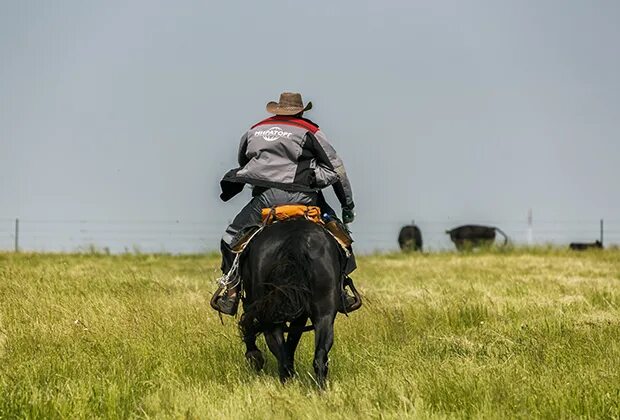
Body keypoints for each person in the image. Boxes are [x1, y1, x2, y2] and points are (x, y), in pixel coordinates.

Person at [213, 91, 359, 315]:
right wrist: (345, 204)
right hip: (305, 197)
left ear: (277, 110)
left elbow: (244, 161)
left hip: (265, 200)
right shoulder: (311, 131)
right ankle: (340, 291)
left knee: (230, 238)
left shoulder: (254, 130)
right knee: (341, 241)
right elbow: (336, 170)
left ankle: (231, 295)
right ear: (301, 111)